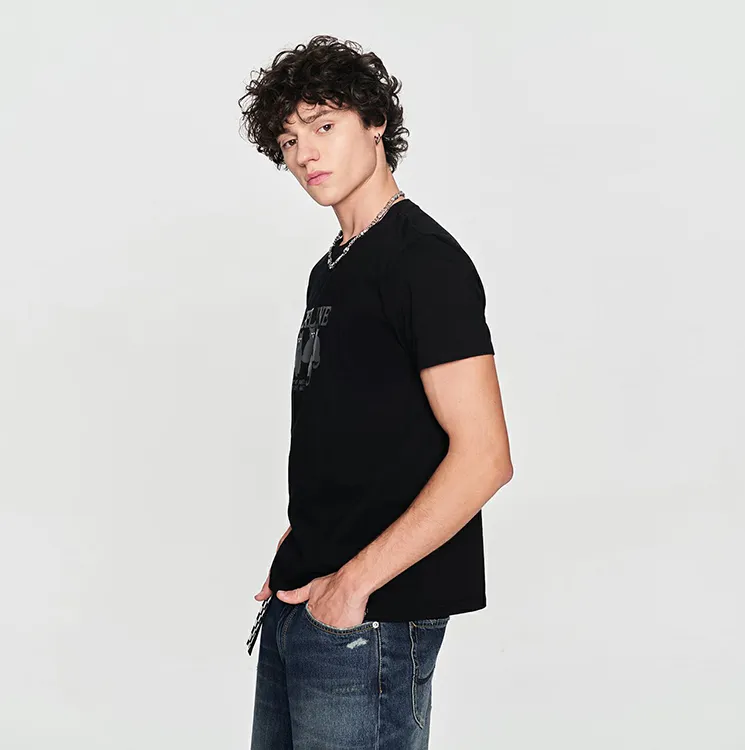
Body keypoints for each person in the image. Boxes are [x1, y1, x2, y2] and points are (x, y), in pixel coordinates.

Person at [238, 34, 513, 749]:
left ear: (375, 123)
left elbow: (485, 457)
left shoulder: (424, 262)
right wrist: (309, 535)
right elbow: (364, 428)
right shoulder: (332, 269)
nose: (306, 153)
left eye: (323, 125)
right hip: (306, 597)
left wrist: (354, 583)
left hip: (372, 618)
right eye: (289, 140)